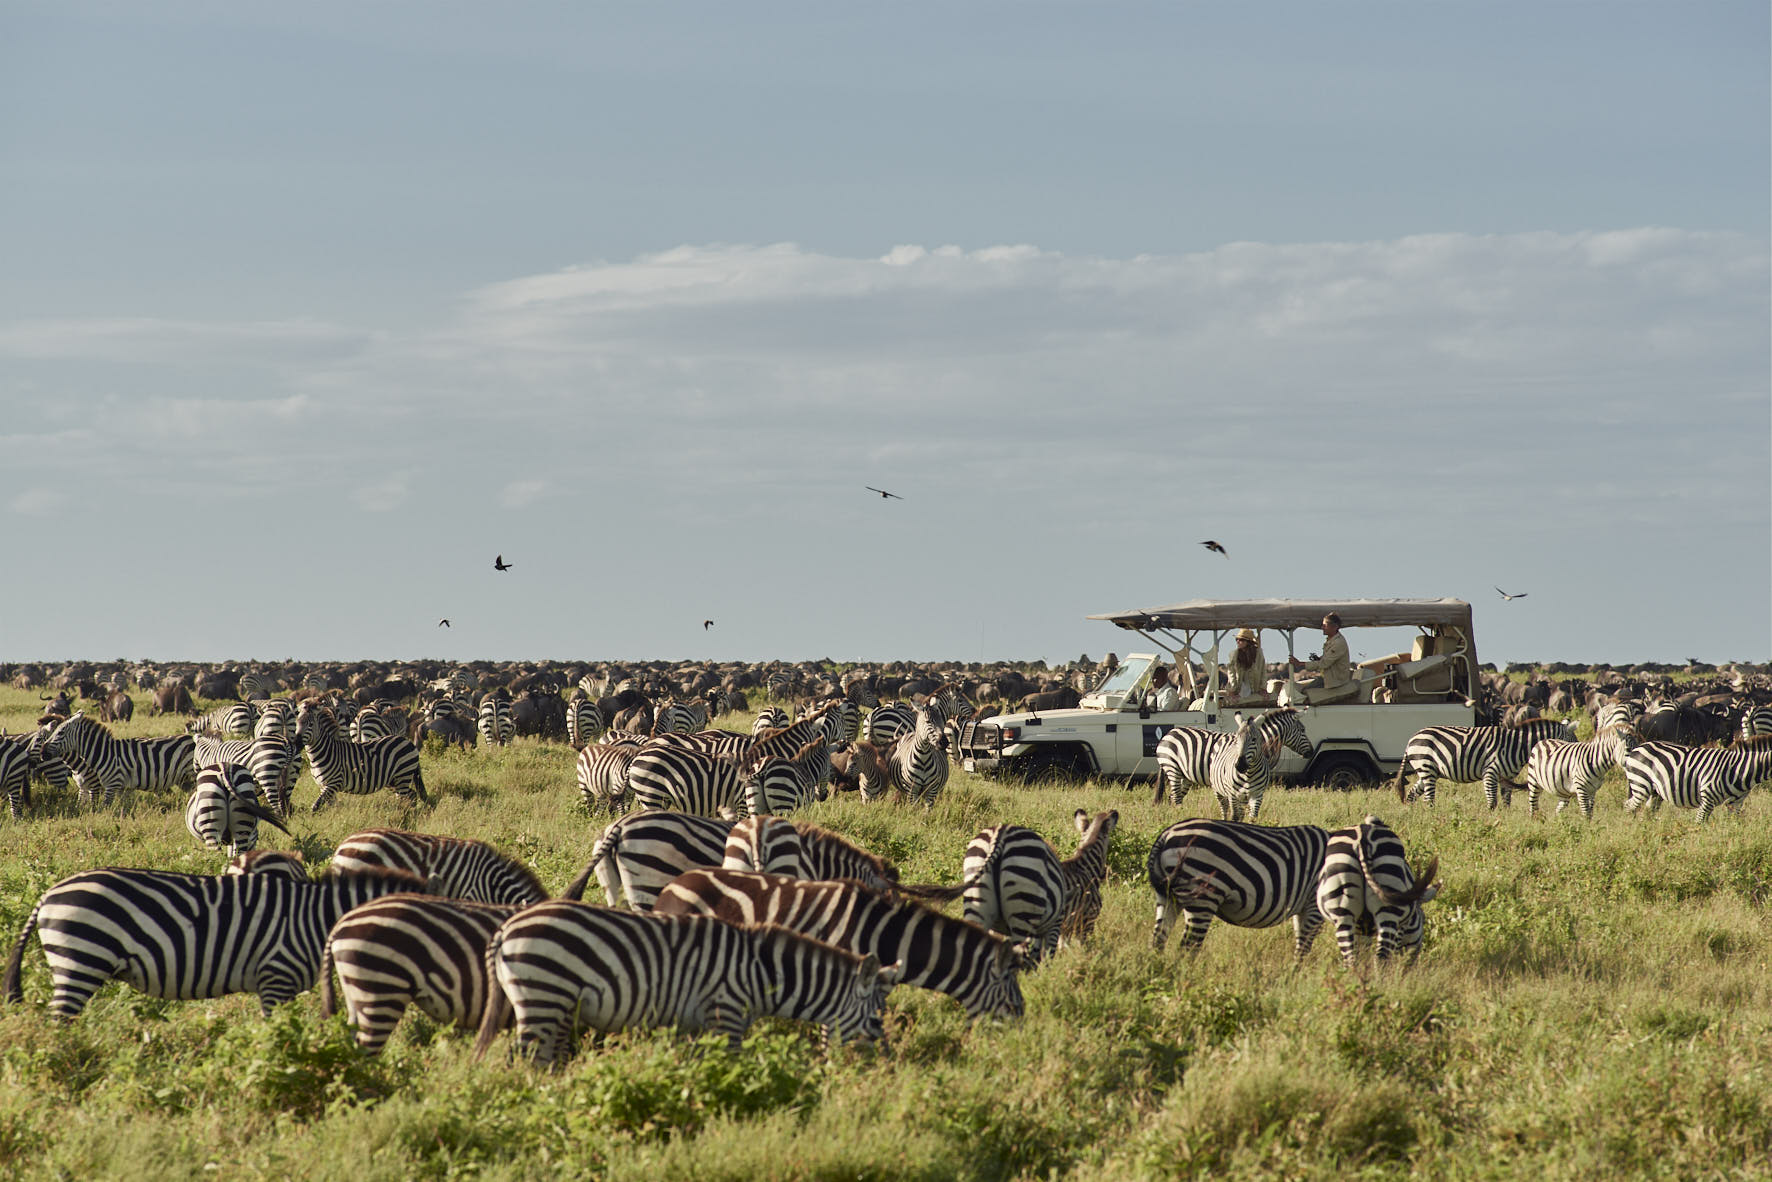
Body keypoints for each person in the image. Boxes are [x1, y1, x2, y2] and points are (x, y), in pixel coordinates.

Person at [1290, 613, 1352, 691]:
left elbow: (1324, 663)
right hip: (1328, 678)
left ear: (1335, 627)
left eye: (1325, 625)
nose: (1322, 628)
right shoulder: (1332, 641)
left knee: (1305, 692)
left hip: (1335, 681)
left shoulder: (1338, 643)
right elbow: (1326, 660)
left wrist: (1300, 664)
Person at [1224, 628, 1267, 703]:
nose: (1238, 641)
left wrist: (1263, 688)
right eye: (1237, 639)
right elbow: (1231, 673)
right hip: (1239, 686)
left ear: (1248, 642)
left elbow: (1263, 670)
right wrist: (1232, 690)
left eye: (1241, 640)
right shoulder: (1234, 654)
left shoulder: (1258, 653)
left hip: (1254, 686)